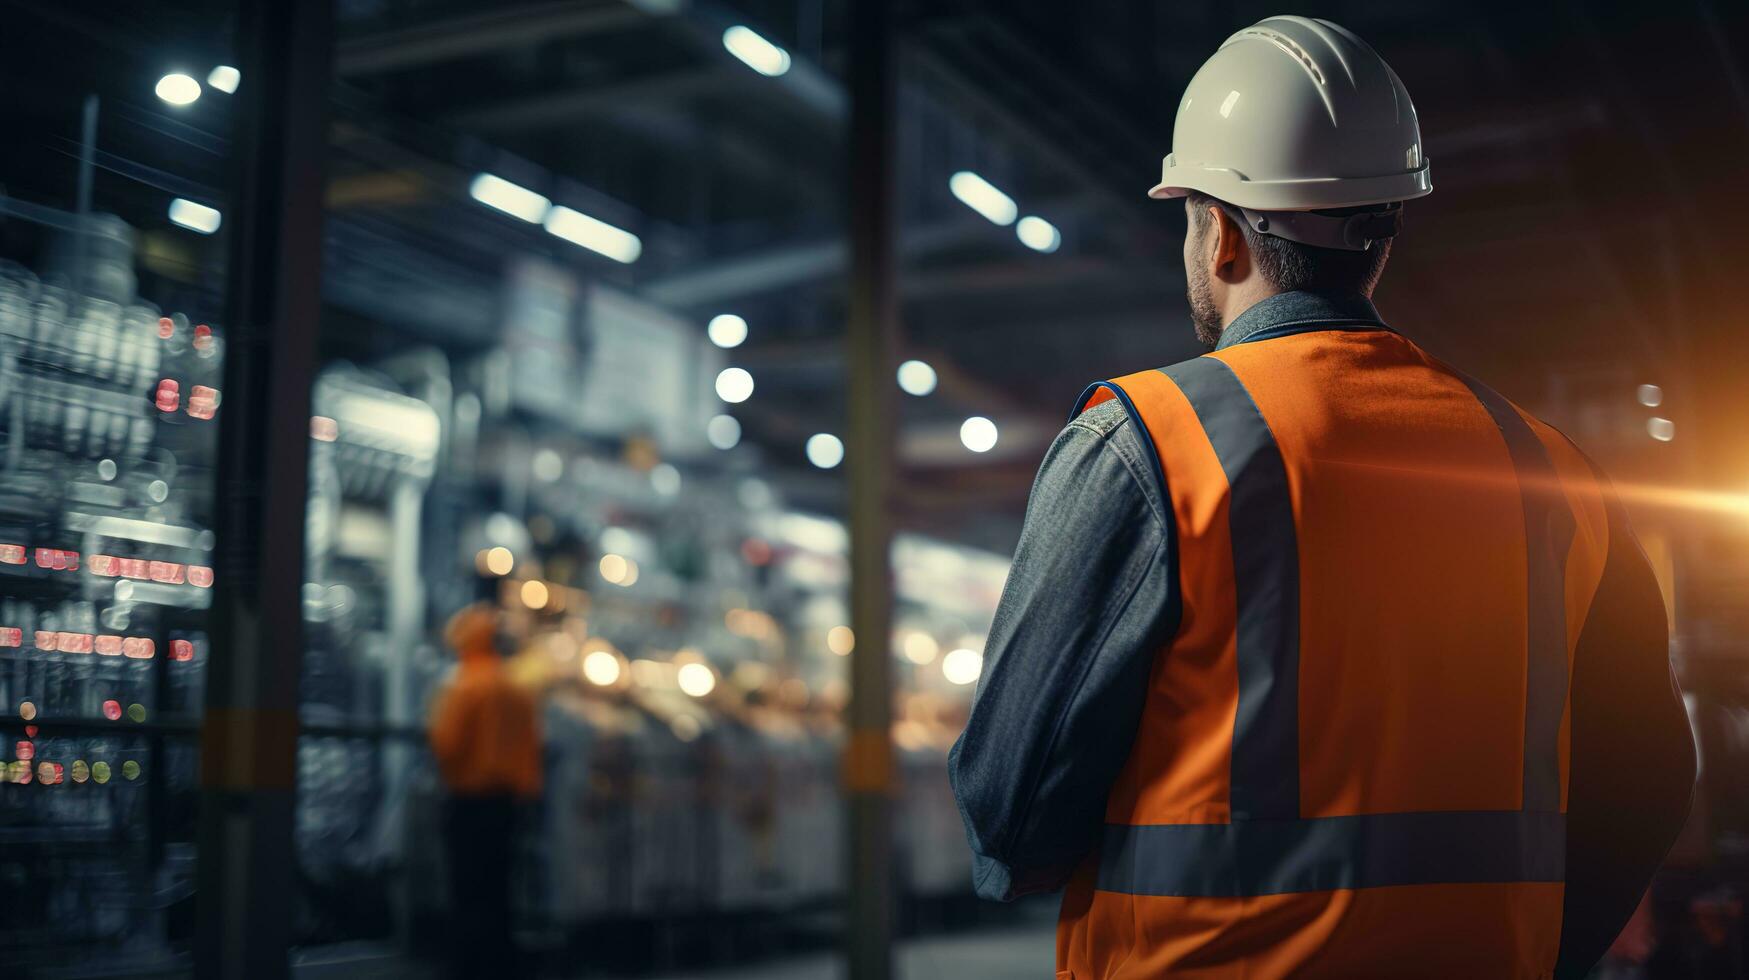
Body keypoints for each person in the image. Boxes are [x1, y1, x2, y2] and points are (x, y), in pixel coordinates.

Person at [948, 15, 1697, 979]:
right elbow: (1646, 782)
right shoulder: (1549, 468)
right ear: (1378, 237)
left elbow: (1011, 815)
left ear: (1216, 231)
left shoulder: (1149, 440)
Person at [428, 604, 543, 978]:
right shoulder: (515, 687)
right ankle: (500, 965)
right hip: (507, 804)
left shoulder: (465, 683)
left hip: (469, 802)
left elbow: (446, 743)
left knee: (467, 892)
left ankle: (468, 967)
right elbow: (532, 748)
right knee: (499, 893)